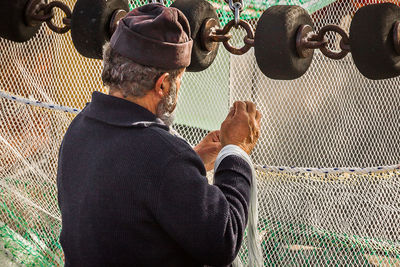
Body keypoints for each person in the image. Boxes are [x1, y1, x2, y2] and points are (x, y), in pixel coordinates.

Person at [57, 3, 261, 266]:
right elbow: (223, 240)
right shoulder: (164, 158)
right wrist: (236, 151)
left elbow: (130, 187)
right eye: (178, 79)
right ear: (163, 84)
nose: (179, 85)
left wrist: (193, 161)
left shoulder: (82, 126)